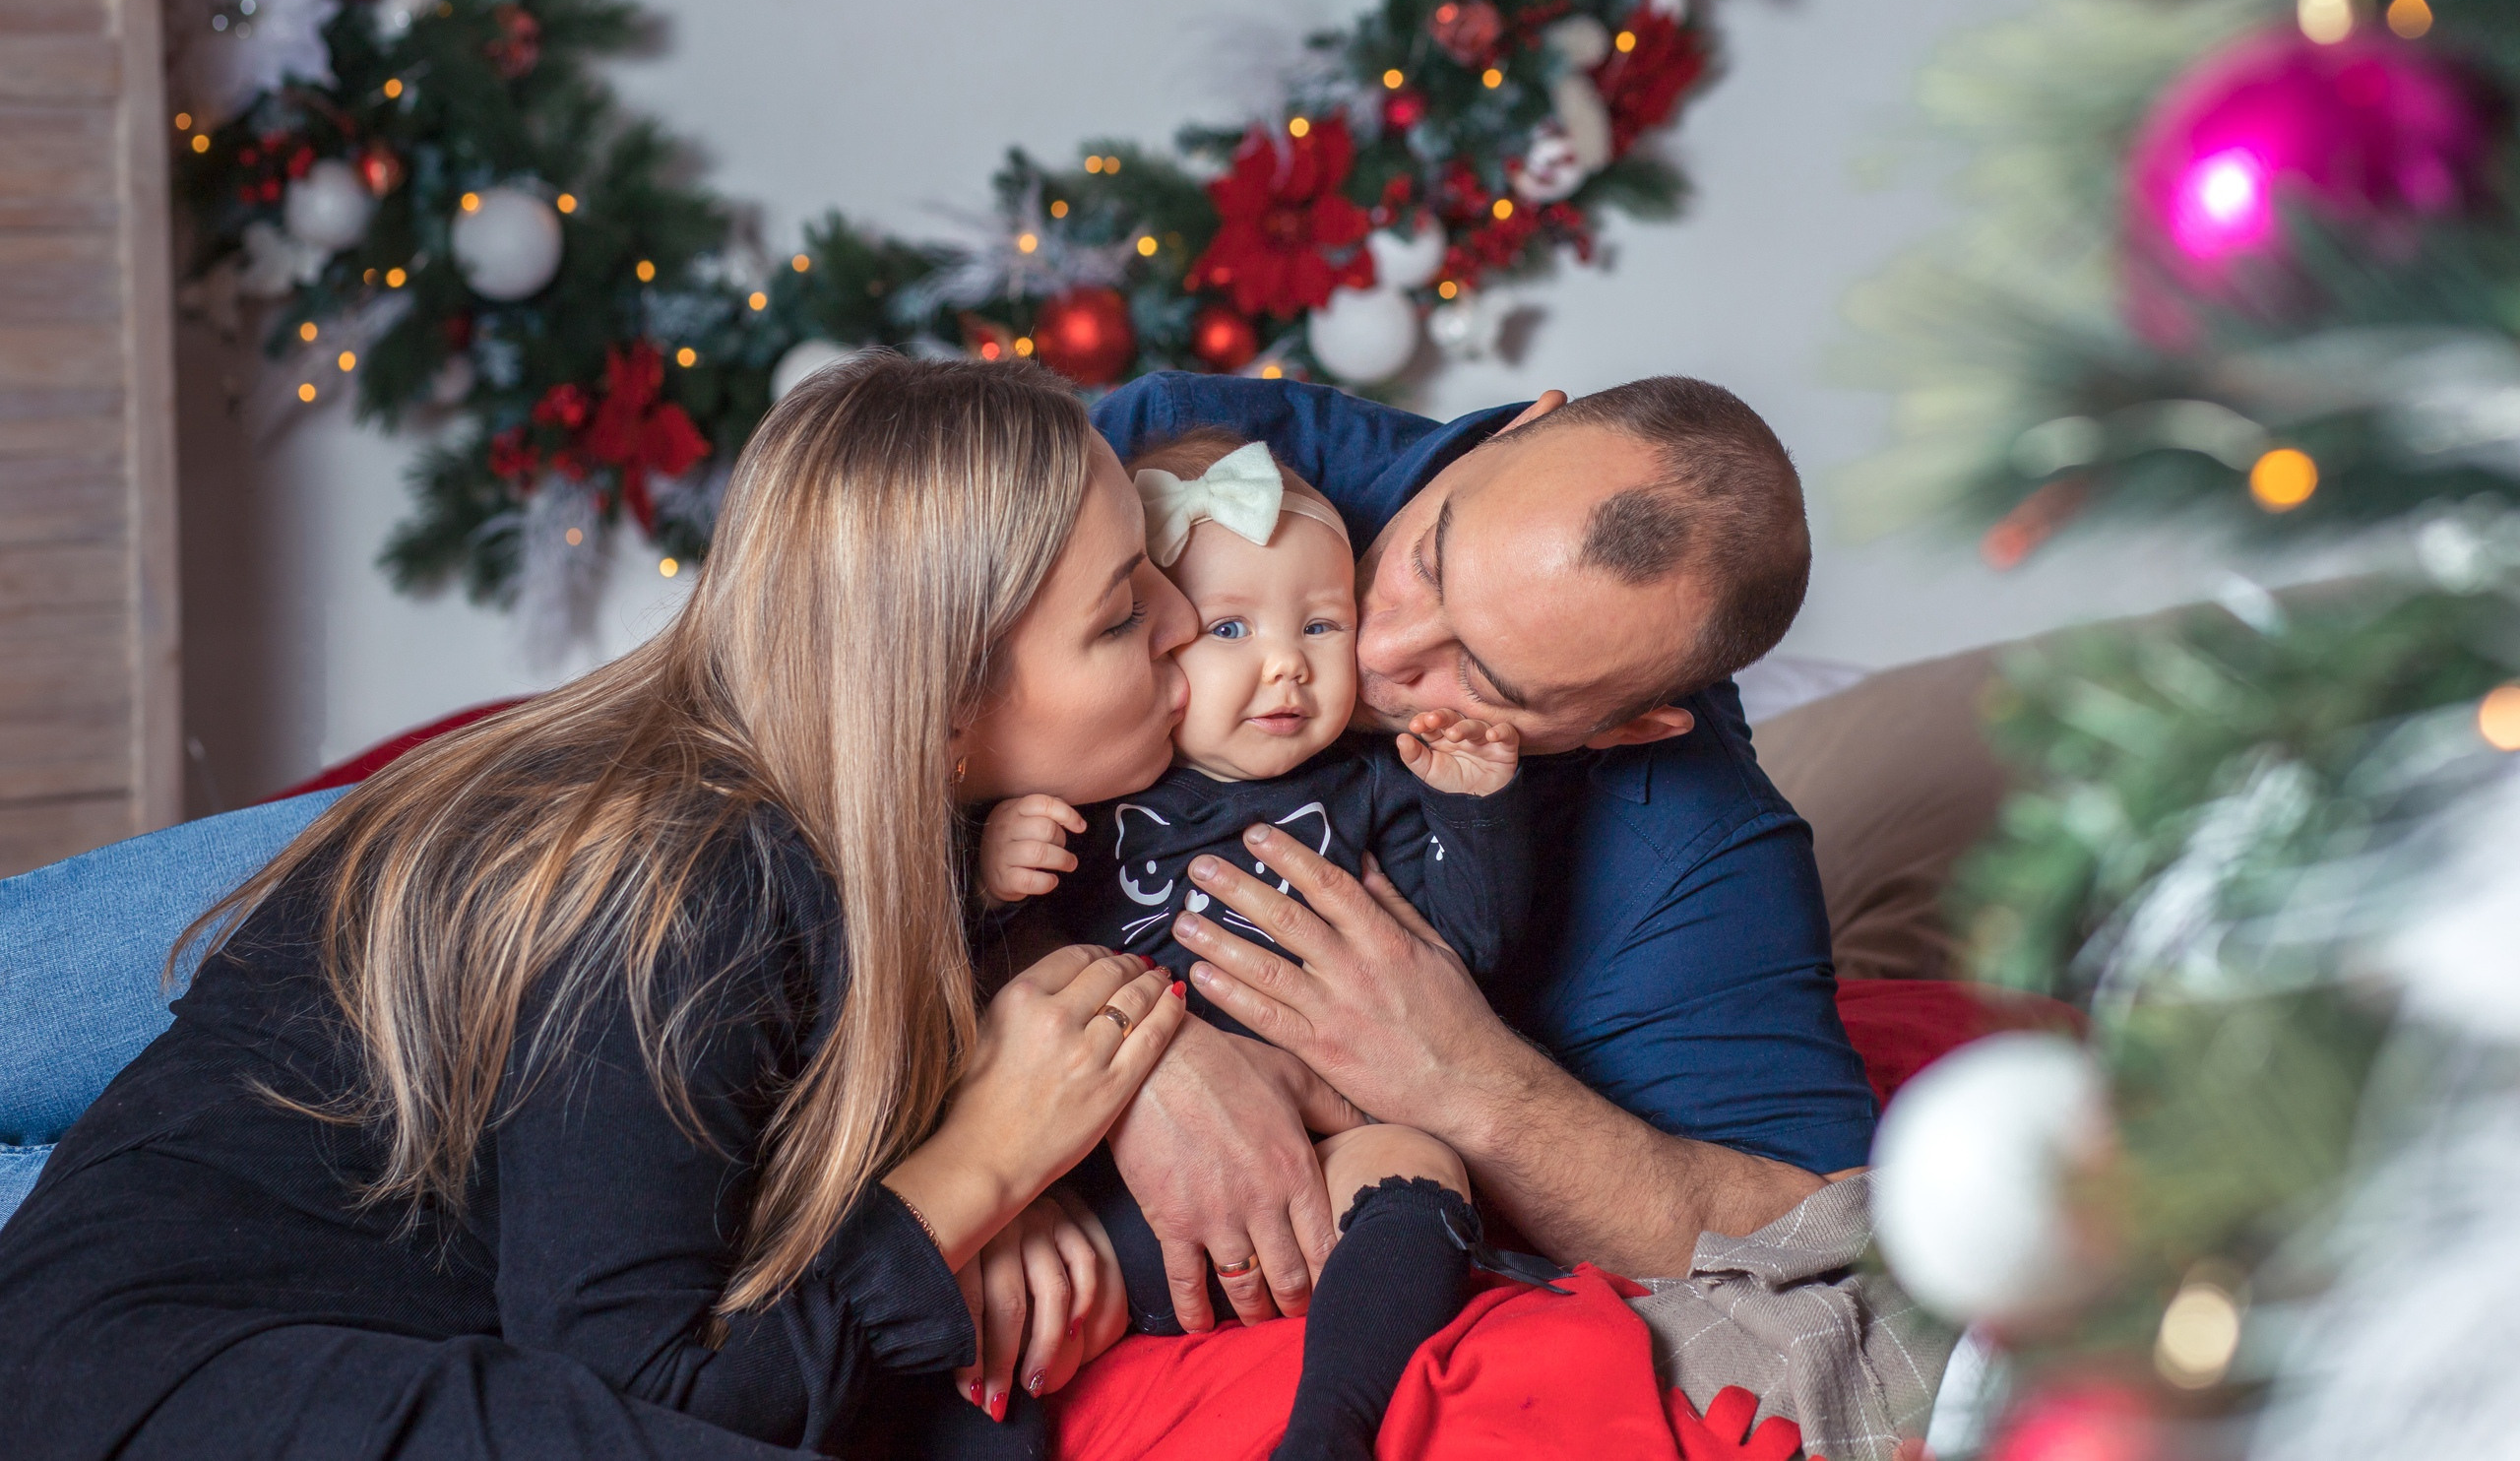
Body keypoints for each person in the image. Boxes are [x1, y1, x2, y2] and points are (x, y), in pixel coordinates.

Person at [0, 354, 1207, 1461]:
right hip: (167, 1373)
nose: (1185, 622)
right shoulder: (693, 886)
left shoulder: (882, 826)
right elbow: (650, 1393)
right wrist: (978, 1171)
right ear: (939, 704)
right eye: (1118, 616)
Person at [1086, 371, 1880, 1334]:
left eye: (1478, 673)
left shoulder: (1699, 853)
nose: (1376, 650)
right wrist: (1130, 1054)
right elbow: (892, 722)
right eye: (1430, 560)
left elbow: (1818, 1229)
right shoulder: (1199, 454)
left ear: (1630, 728)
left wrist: (1458, 1082)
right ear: (1520, 427)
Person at [978, 431, 1538, 1461]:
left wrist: (1477, 816)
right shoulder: (1094, 788)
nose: (1286, 663)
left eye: (1321, 624)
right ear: (1149, 635)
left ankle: (1330, 1430)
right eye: (1230, 626)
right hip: (1105, 1179)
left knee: (1416, 1161)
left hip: (1308, 1178)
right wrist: (992, 874)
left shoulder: (1376, 785)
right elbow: (986, 991)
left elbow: (1466, 956)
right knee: (1007, 1265)